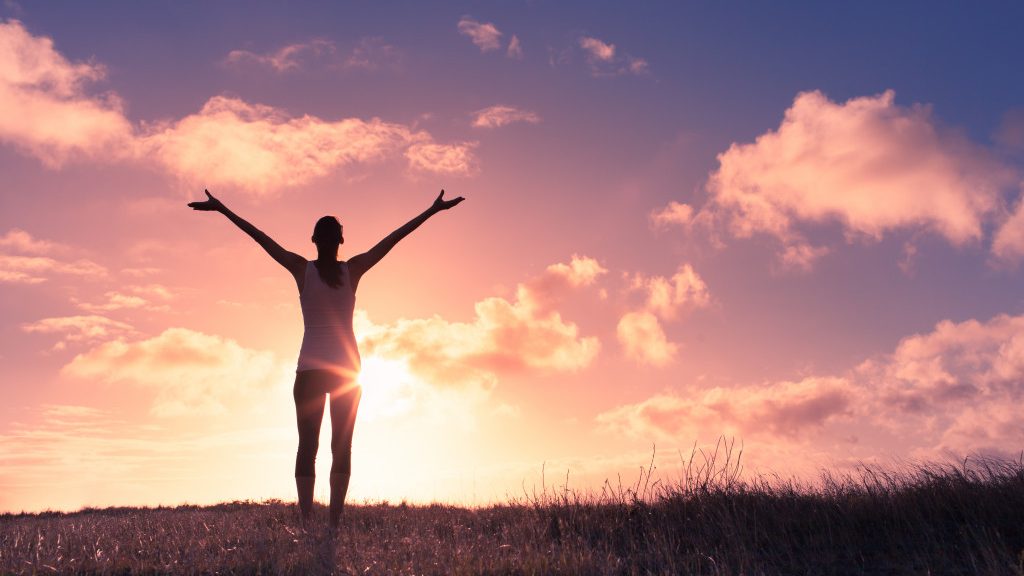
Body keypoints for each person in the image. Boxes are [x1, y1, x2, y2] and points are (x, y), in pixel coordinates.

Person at [188, 188, 465, 528]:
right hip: (348, 372)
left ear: (314, 240)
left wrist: (221, 208)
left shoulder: (301, 269)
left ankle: (306, 519)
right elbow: (393, 239)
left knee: (308, 446)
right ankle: (334, 521)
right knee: (341, 447)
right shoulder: (353, 270)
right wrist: (432, 210)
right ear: (341, 241)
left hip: (309, 372)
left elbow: (260, 237)